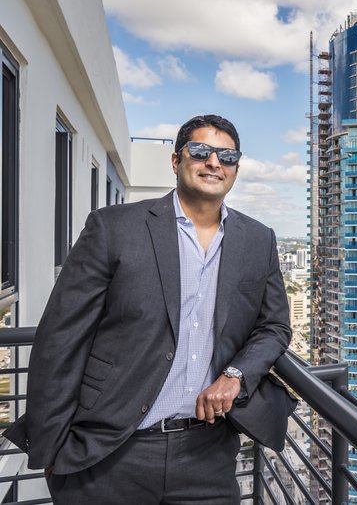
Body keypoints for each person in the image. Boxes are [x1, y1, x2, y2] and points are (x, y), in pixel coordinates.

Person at [4, 114, 292, 503]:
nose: (213, 163)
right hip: (111, 451)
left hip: (207, 454)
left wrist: (236, 375)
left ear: (236, 168)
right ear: (176, 161)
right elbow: (61, 340)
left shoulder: (258, 240)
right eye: (201, 151)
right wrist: (52, 449)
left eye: (226, 156)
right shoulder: (114, 228)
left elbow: (273, 326)